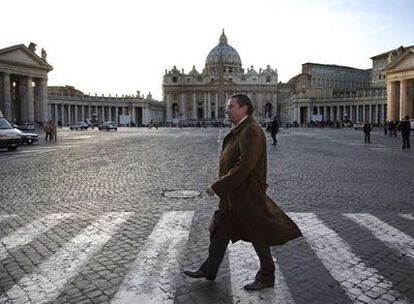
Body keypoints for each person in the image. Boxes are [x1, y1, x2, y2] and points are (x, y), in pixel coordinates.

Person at [184, 94, 302, 290]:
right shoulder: (242, 129)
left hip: (246, 194)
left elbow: (244, 167)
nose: (227, 110)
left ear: (244, 108)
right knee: (219, 230)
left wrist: (218, 186)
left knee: (258, 234)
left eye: (231, 106)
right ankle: (209, 269)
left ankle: (266, 276)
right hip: (234, 194)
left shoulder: (251, 131)